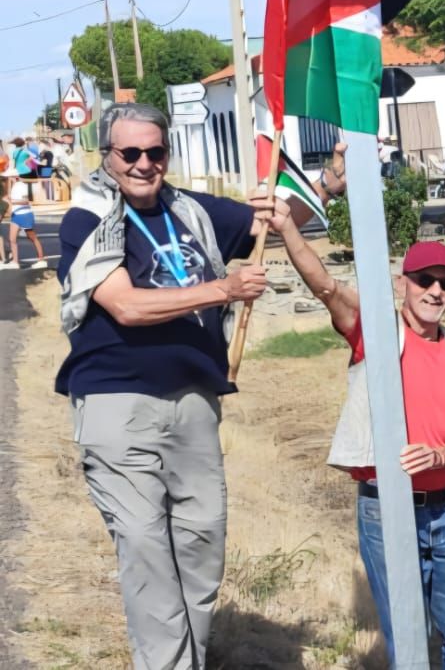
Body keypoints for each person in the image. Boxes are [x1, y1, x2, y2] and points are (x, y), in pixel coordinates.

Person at [56, 103, 290, 670]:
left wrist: (319, 186)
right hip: (117, 401)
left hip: (194, 401)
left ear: (167, 155)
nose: (143, 164)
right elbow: (127, 307)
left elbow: (274, 224)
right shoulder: (86, 218)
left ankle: (188, 659)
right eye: (129, 153)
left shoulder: (190, 209)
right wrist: (222, 290)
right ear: (107, 157)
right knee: (145, 547)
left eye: (154, 152)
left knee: (201, 542)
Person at [258, 187, 445, 669]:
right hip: (387, 510)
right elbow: (325, 286)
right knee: (408, 642)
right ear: (403, 281)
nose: (436, 292)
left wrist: (441, 456)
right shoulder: (377, 335)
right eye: (425, 280)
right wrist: (287, 229)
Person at [6, 173, 47, 269]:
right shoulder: (13, 185)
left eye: (11, 176)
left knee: (32, 237)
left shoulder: (22, 186)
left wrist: (12, 201)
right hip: (15, 215)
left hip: (25, 215)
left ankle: (41, 259)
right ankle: (15, 262)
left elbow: (25, 201)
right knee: (12, 239)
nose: (9, 177)